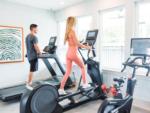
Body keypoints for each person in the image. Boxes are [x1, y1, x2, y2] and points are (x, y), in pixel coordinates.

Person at [59, 16, 91, 95]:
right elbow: (77, 43)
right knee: (83, 67)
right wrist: (87, 47)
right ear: (73, 22)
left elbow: (74, 42)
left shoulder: (67, 31)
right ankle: (85, 84)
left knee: (67, 72)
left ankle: (61, 89)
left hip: (68, 53)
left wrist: (80, 43)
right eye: (75, 21)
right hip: (73, 53)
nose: (76, 22)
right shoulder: (72, 31)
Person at [25, 24, 41, 89]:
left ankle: (28, 81)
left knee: (31, 69)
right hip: (33, 56)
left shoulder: (27, 36)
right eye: (37, 28)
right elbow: (36, 46)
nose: (37, 30)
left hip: (29, 56)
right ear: (33, 28)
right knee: (32, 70)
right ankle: (29, 83)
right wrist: (39, 52)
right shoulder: (34, 37)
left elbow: (29, 46)